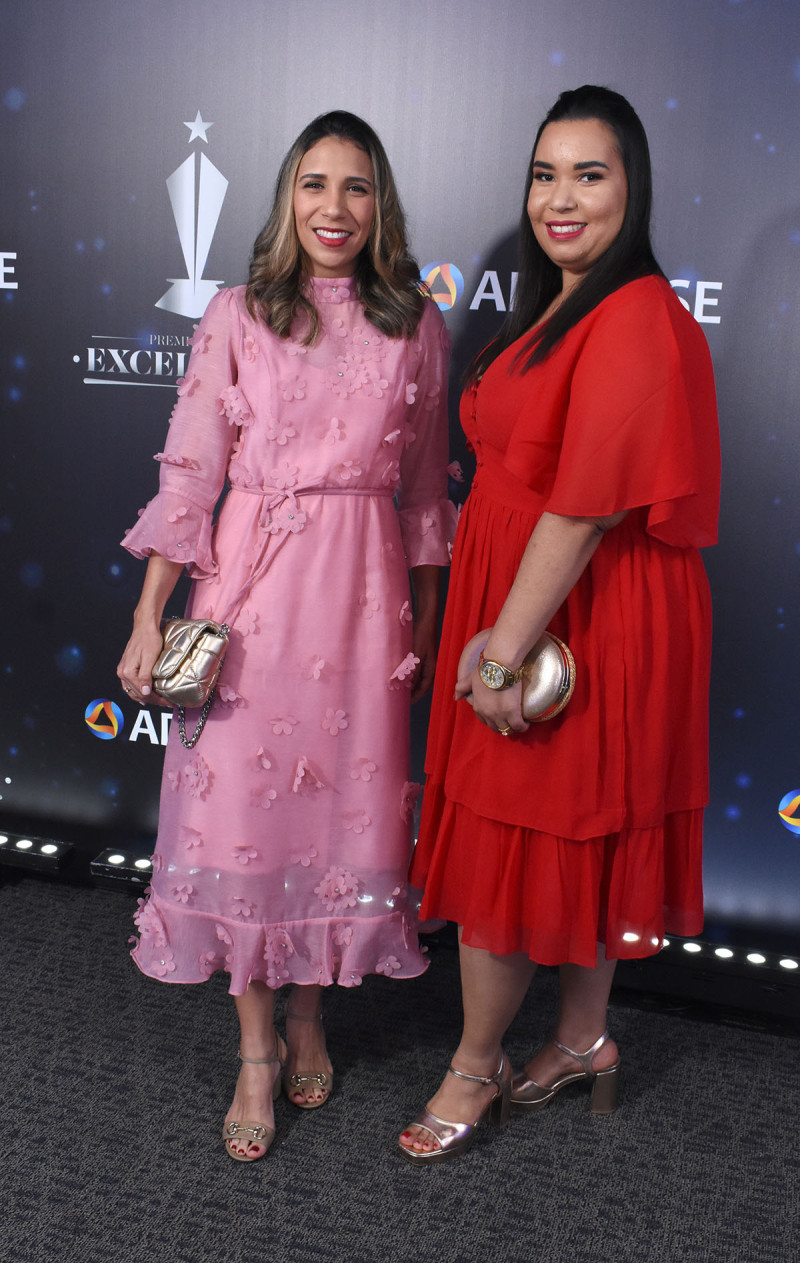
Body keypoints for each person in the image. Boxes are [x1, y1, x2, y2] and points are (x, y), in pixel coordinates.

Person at [117, 110, 453, 1162]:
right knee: (245, 823)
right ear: (285, 199)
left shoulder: (414, 325)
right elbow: (188, 474)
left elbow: (425, 497)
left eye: (355, 188)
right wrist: (148, 615)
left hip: (360, 607)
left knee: (338, 824)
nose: (334, 209)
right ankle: (258, 1047)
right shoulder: (234, 314)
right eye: (314, 185)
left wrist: (427, 628)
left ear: (380, 204)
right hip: (247, 601)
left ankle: (311, 1009)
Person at [398, 85, 720, 1163]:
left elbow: (581, 510)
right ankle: (582, 1040)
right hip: (546, 596)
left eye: (589, 173)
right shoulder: (563, 301)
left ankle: (473, 1066)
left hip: (575, 615)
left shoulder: (631, 316)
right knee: (567, 833)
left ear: (631, 188)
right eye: (544, 173)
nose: (560, 197)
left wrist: (498, 652)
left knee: (516, 835)